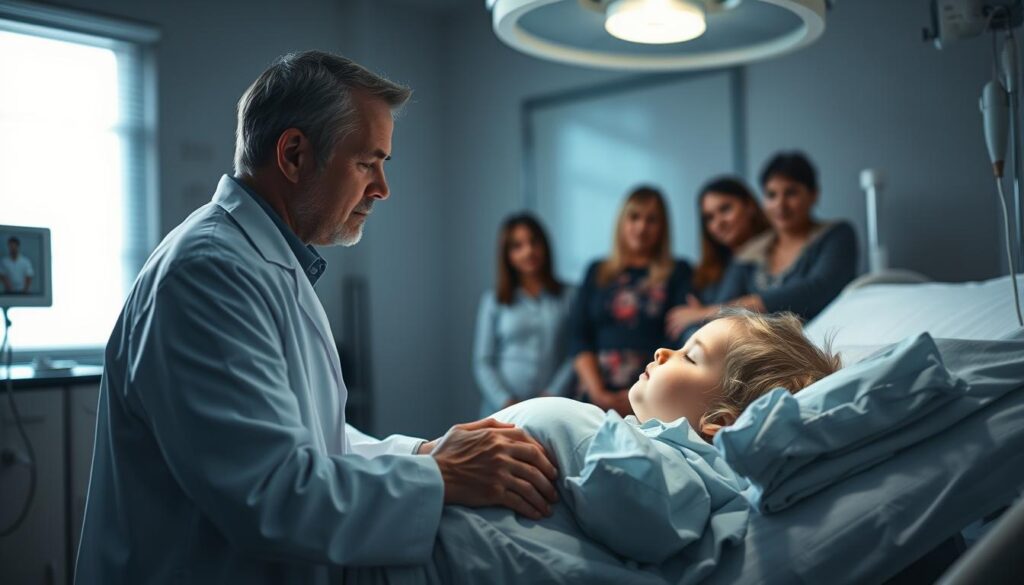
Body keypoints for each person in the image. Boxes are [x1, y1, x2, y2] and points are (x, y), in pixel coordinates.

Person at [75, 51, 559, 585]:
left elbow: (307, 439)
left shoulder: (263, 261)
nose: (382, 189)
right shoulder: (206, 274)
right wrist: (439, 475)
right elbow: (271, 492)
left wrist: (424, 451)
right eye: (366, 163)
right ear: (295, 154)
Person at [345, 310, 842, 584]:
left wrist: (576, 428)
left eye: (691, 356)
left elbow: (651, 515)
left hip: (402, 557)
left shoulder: (691, 472)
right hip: (395, 527)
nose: (663, 351)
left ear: (720, 423)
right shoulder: (656, 445)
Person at [666, 152, 858, 335]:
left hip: (814, 348)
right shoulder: (750, 252)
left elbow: (816, 290)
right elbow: (722, 310)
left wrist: (709, 311)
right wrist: (710, 313)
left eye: (791, 193)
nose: (780, 205)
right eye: (771, 195)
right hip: (755, 354)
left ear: (814, 194)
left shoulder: (836, 235)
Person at [568, 186, 693, 418]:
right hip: (593, 390)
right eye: (634, 217)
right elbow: (578, 336)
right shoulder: (597, 271)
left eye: (651, 220)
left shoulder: (678, 271)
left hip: (652, 390)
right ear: (622, 221)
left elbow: (677, 338)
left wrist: (638, 393)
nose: (641, 227)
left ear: (663, 227)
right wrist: (597, 392)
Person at [474, 213, 575, 417]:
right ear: (507, 254)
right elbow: (483, 361)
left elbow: (575, 353)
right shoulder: (493, 301)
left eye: (534, 242)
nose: (528, 251)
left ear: (544, 245)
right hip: (501, 412)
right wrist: (505, 401)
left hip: (553, 410)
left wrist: (552, 394)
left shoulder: (570, 296)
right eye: (517, 246)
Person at [689, 177, 769, 305]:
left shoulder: (776, 251)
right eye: (709, 218)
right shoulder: (707, 271)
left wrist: (702, 314)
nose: (719, 223)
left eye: (725, 209)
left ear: (749, 206)